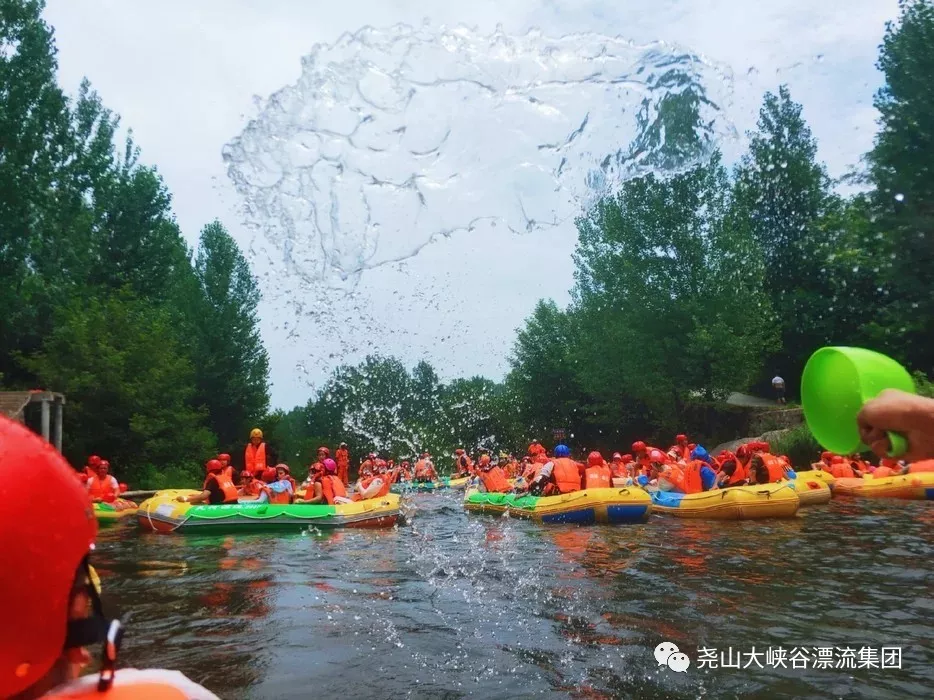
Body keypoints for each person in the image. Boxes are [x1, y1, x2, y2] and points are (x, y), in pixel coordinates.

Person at [0, 416, 220, 699]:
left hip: (109, 504)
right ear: (78, 607)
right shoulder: (170, 691)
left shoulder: (111, 480)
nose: (102, 469)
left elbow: (114, 494)